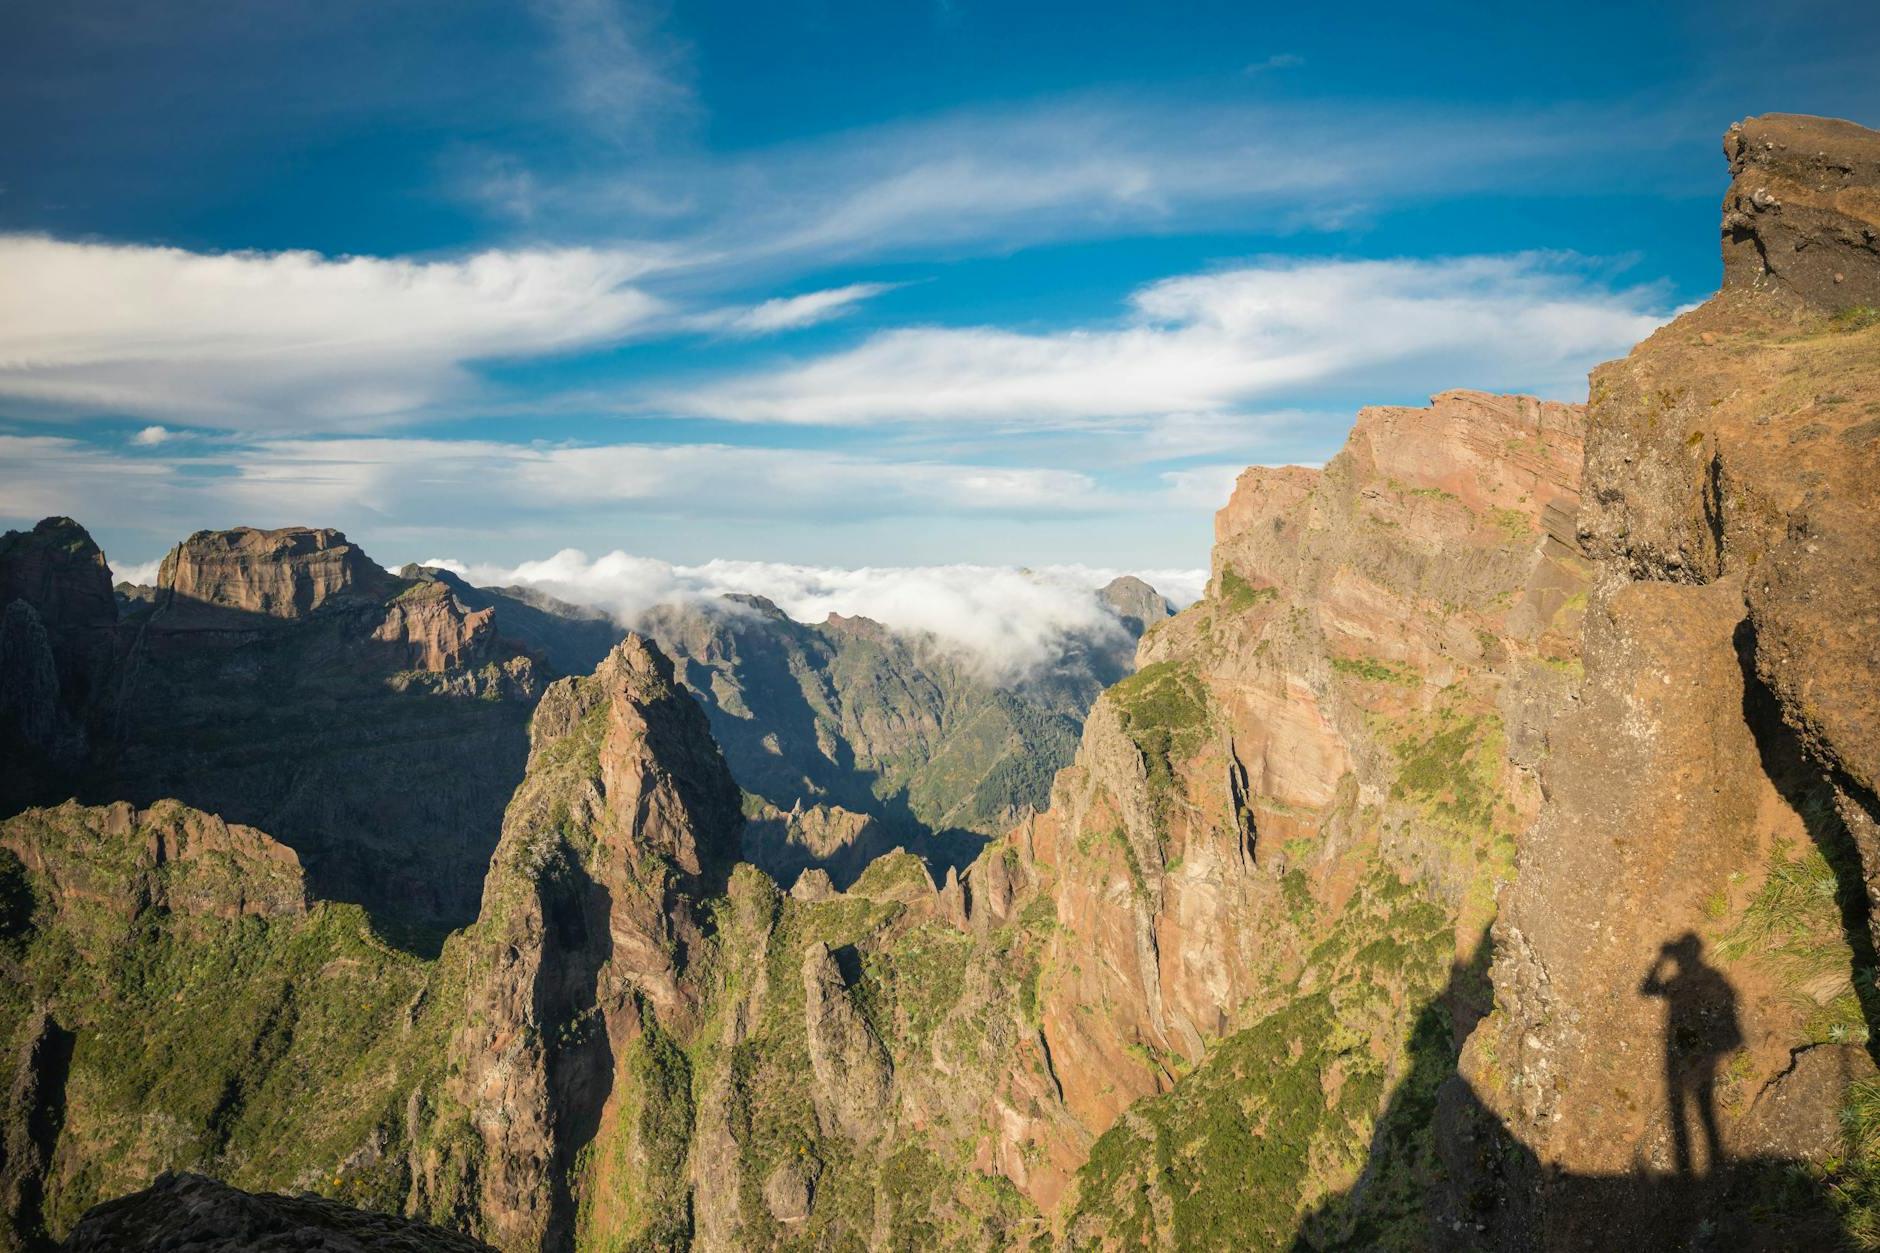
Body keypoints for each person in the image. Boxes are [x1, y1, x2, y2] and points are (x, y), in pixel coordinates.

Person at [1639, 931, 1743, 1175]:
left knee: (1683, 1108)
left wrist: (1660, 961)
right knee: (1701, 1107)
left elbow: (1646, 988)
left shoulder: (1684, 979)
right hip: (1702, 1052)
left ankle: (1694, 1170)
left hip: (1690, 1052)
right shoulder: (1713, 978)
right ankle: (1714, 1162)